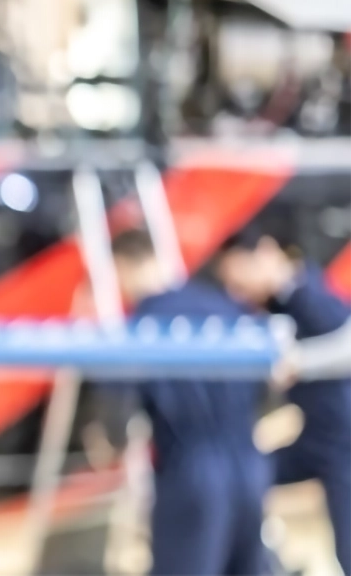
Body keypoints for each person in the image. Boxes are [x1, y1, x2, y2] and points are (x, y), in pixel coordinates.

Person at [107, 229, 271, 576]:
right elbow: (266, 386)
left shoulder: (142, 326)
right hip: (250, 467)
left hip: (192, 473)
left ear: (121, 267)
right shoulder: (228, 308)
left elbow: (117, 415)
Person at [214, 228, 351, 570]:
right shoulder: (278, 305)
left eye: (239, 277)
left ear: (265, 252)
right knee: (244, 475)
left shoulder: (307, 294)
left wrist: (298, 362)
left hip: (342, 444)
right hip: (317, 439)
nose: (237, 291)